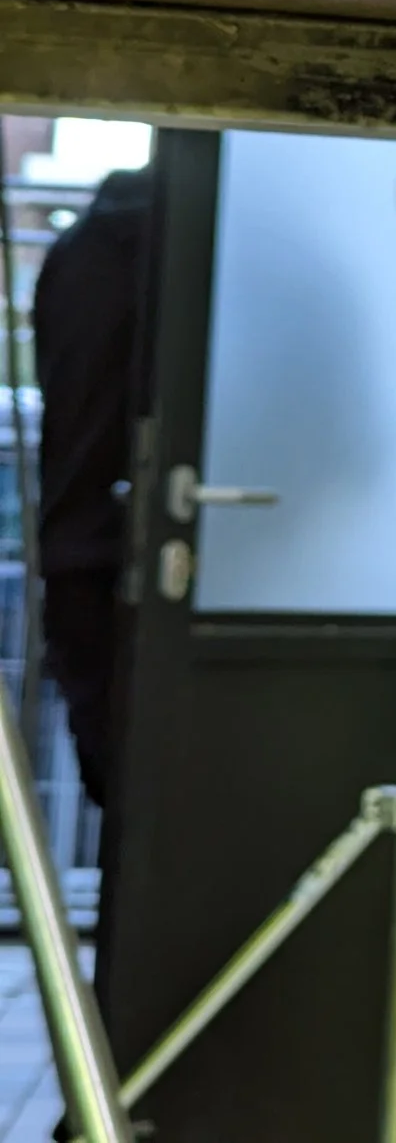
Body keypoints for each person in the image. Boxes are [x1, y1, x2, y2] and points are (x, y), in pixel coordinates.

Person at [30, 165, 152, 812]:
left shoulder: (75, 256)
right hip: (166, 548)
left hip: (75, 538)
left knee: (116, 784)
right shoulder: (189, 257)